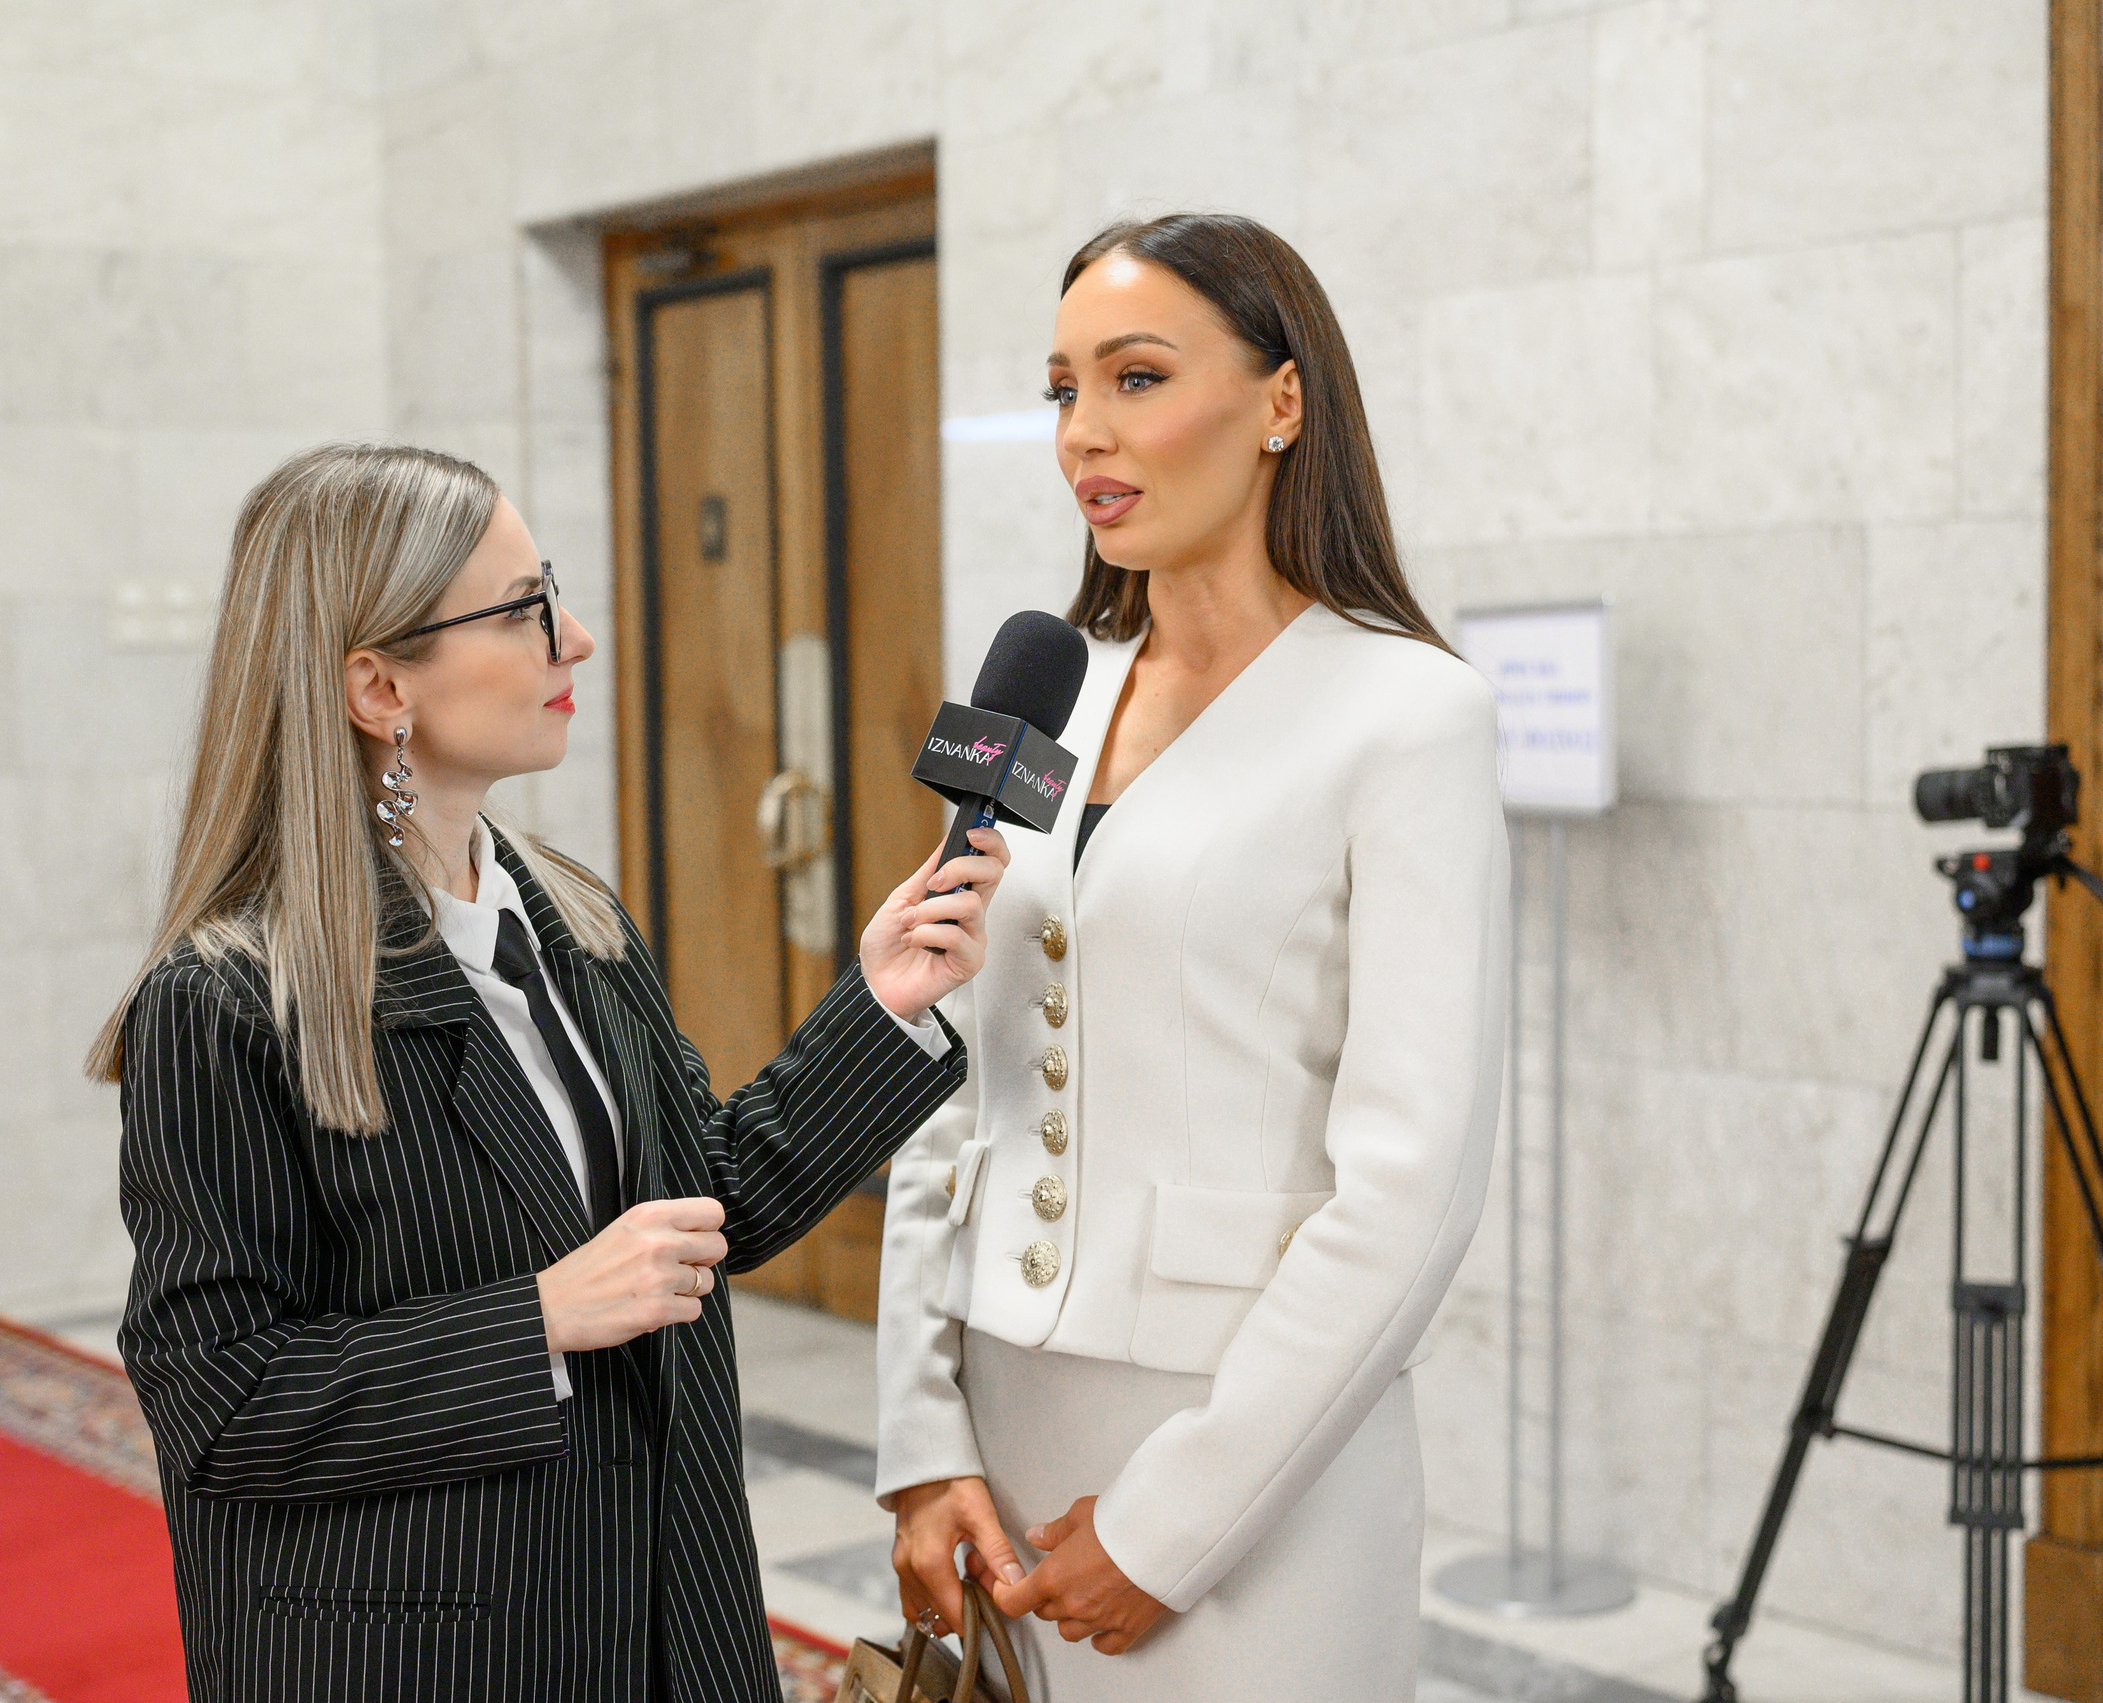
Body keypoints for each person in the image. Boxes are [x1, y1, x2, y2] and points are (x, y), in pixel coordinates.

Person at [86, 443, 1009, 1703]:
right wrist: (534, 1319)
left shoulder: (571, 916)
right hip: (429, 1648)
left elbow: (703, 1204)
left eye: (553, 594)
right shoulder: (227, 998)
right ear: (378, 684)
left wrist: (883, 1000)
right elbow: (220, 1397)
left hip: (659, 1613)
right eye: (524, 609)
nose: (575, 638)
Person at [875, 213, 1507, 1701]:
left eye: (1138, 377)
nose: (1083, 432)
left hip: (1258, 1447)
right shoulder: (1049, 694)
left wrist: (1171, 1525)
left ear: (1282, 399)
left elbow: (1409, 1187)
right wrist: (920, 1437)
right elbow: (950, 1079)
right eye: (1061, 390)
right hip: (996, 1421)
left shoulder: (1408, 716)